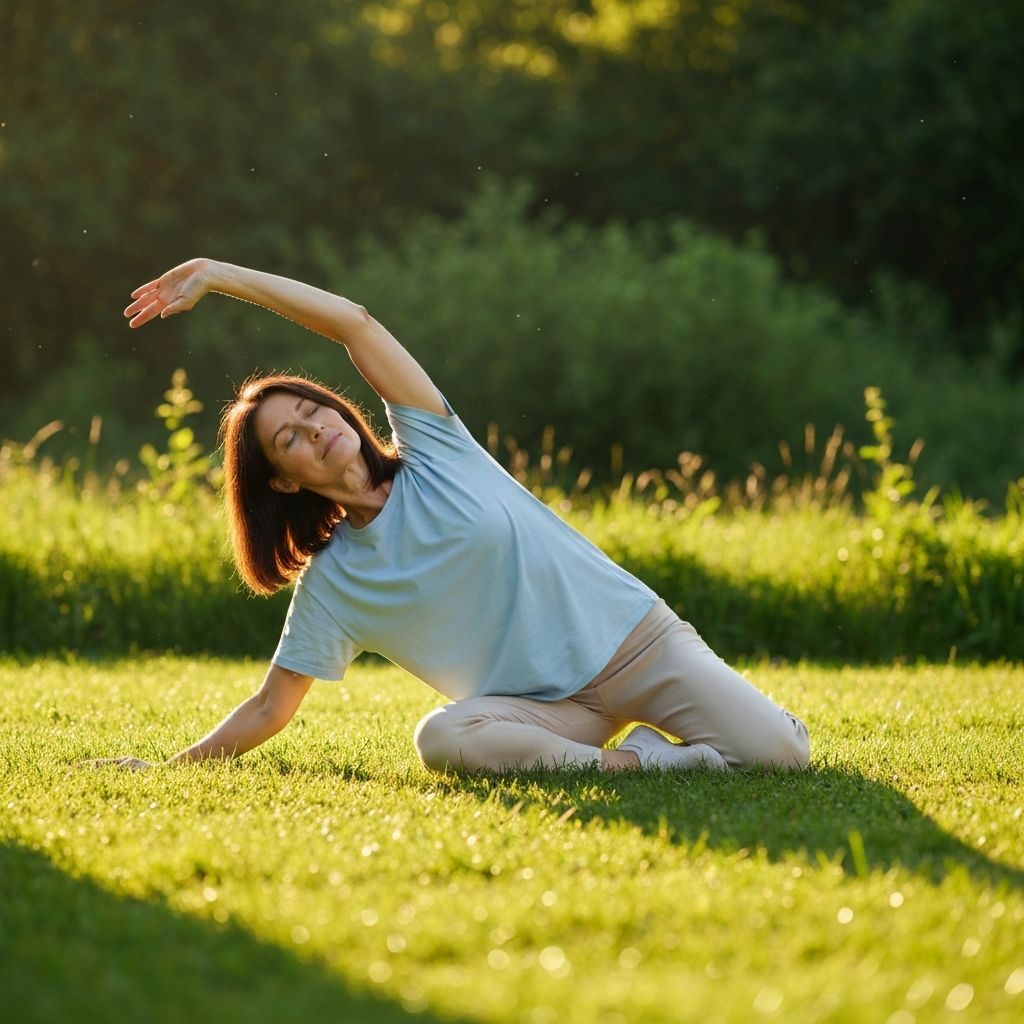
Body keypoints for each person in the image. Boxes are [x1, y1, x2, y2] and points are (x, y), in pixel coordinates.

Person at [98, 257, 810, 775]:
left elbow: (354, 323)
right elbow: (268, 709)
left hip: (635, 645)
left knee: (781, 757)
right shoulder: (335, 583)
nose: (314, 429)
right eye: (289, 438)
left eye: (312, 409)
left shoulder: (436, 448)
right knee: (443, 739)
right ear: (281, 482)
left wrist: (219, 275)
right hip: (551, 715)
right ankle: (646, 765)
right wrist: (167, 768)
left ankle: (723, 732)